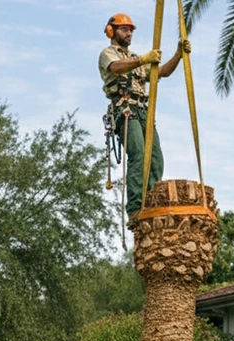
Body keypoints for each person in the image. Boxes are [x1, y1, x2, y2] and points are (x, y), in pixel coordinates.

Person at [98, 12, 190, 218]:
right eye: (124, 29)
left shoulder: (135, 58)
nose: (129, 33)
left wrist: (178, 54)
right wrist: (143, 59)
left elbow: (162, 72)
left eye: (131, 30)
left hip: (143, 111)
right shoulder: (108, 54)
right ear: (112, 31)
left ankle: (151, 202)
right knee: (138, 154)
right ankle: (136, 208)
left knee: (156, 160)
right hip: (126, 110)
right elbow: (116, 68)